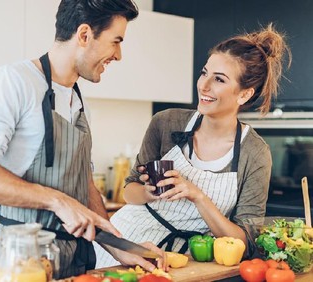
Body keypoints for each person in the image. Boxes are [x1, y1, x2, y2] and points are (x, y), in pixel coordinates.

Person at [0, 0, 166, 279]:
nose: (118, 55)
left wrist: (119, 245)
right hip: (22, 260)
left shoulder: (79, 101)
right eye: (115, 42)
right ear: (84, 35)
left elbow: (84, 184)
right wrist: (58, 201)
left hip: (74, 261)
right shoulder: (14, 82)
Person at [95, 23, 291, 267]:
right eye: (204, 73)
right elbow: (128, 192)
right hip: (128, 240)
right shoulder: (165, 123)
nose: (204, 86)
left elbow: (245, 243)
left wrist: (197, 195)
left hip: (190, 260)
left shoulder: (255, 152)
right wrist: (149, 192)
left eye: (218, 79)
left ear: (244, 94)